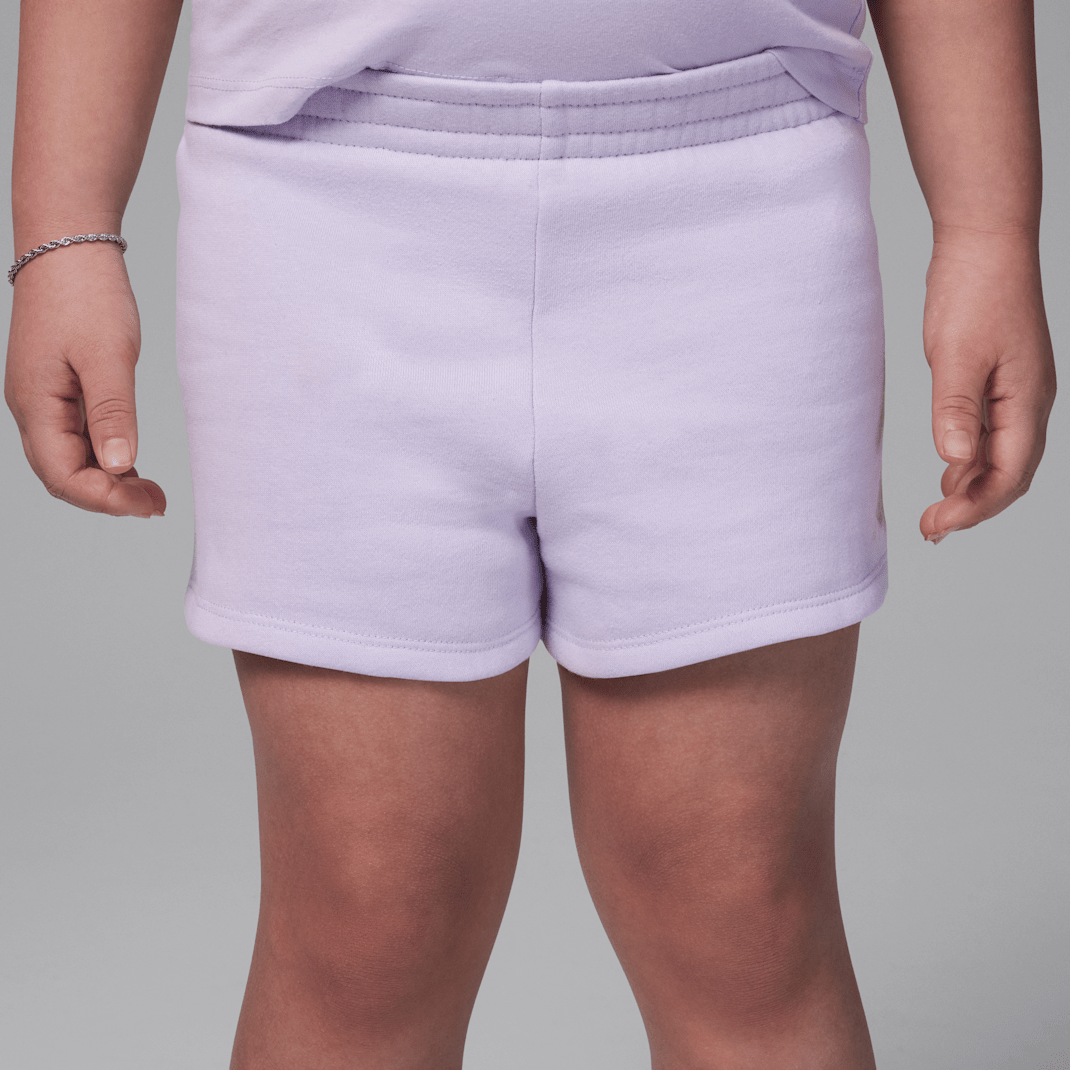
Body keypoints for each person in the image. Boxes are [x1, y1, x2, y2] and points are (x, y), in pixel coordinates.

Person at [4, 0, 1056, 1067]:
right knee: (367, 918)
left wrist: (987, 227)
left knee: (743, 910)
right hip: (319, 208)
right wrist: (62, 234)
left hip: (744, 200)